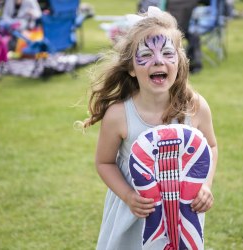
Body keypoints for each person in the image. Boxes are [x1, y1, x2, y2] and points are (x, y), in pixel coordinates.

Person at [81, 6, 218, 249]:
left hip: (183, 213)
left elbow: (210, 146)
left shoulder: (194, 107)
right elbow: (104, 162)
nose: (158, 61)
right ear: (131, 68)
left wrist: (205, 185)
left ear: (179, 61)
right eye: (146, 54)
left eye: (167, 52)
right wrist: (128, 196)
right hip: (135, 215)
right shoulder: (119, 115)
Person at [138, 0, 203, 73]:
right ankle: (194, 63)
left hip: (167, 28)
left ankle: (190, 63)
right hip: (176, 29)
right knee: (194, 35)